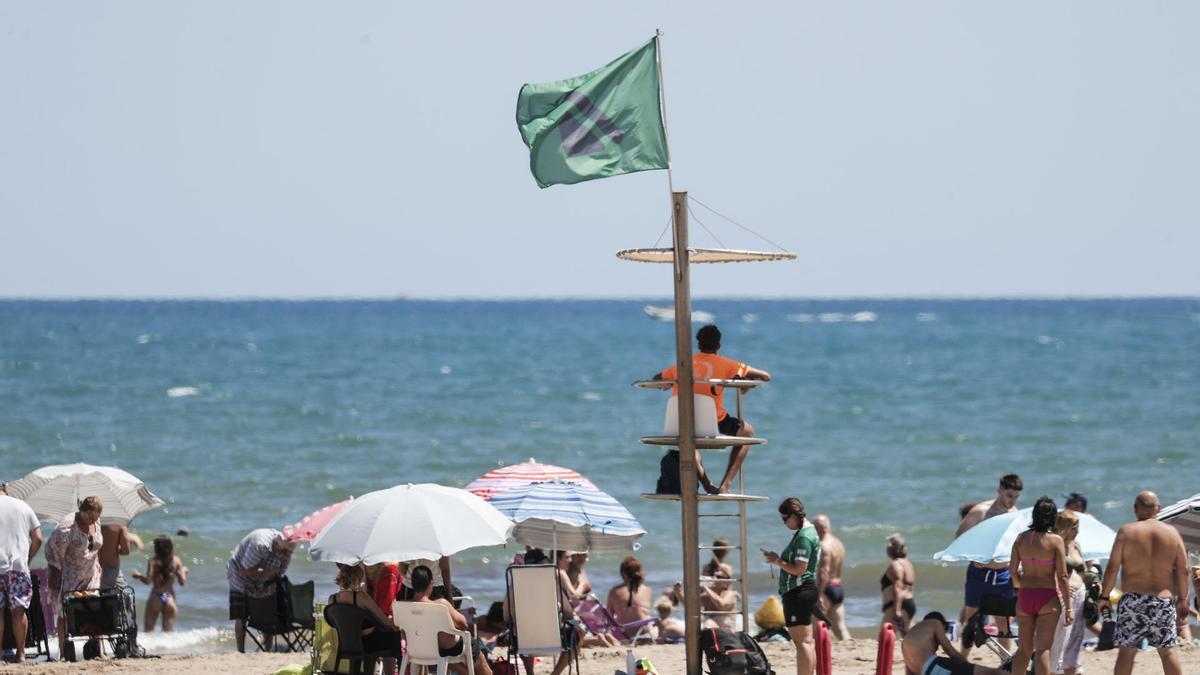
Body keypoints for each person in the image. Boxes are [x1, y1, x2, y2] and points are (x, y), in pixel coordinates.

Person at [653, 324, 771, 494]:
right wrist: (746, 380)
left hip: (682, 421)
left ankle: (707, 484)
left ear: (698, 344)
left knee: (689, 443)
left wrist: (668, 382)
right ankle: (725, 485)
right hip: (714, 421)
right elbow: (766, 376)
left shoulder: (683, 364)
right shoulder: (727, 364)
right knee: (747, 432)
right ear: (718, 345)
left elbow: (657, 378)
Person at [1099, 491, 1189, 675]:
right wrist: (1183, 599)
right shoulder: (1172, 533)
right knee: (1168, 651)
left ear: (1135, 509)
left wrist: (1104, 596)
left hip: (1133, 600)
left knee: (1127, 651)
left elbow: (1112, 567)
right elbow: (1183, 569)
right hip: (1162, 601)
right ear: (1158, 509)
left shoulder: (1127, 531)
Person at [956, 473, 1022, 654]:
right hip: (979, 573)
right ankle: (963, 659)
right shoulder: (981, 511)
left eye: (1016, 497)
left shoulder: (1015, 515)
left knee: (1003, 622)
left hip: (1002, 574)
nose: (1012, 501)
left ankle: (1005, 662)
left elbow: (1018, 545)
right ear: (1000, 490)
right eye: (1009, 496)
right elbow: (959, 536)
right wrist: (974, 554)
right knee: (971, 619)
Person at [1009, 496, 1069, 675]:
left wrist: (1021, 586)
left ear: (1034, 515)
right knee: (1043, 649)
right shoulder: (1056, 540)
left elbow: (1012, 571)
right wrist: (1069, 608)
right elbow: (1063, 575)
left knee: (1024, 649)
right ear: (1053, 517)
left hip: (1025, 597)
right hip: (1047, 597)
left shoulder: (1021, 539)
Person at [762, 497, 820, 675]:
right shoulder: (808, 532)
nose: (784, 523)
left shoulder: (803, 537)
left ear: (794, 515)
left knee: (802, 642)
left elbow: (799, 569)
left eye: (785, 519)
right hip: (804, 590)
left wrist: (777, 561)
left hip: (798, 592)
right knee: (807, 641)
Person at [45, 495, 104, 657]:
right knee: (65, 613)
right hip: (71, 574)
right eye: (90, 516)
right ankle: (63, 653)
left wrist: (98, 563)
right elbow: (51, 550)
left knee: (94, 608)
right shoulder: (67, 526)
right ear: (82, 510)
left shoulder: (96, 521)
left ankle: (98, 650)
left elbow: (95, 546)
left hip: (91, 573)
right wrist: (55, 574)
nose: (93, 520)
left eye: (96, 517)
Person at [405, 564, 492, 675]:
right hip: (448, 649)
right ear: (431, 583)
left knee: (452, 659)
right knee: (480, 659)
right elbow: (463, 624)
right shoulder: (440, 604)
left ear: (412, 584)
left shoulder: (403, 607)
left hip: (418, 649)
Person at [226, 528, 295, 653]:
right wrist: (266, 572)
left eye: (288, 552)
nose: (284, 555)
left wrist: (269, 578)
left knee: (268, 612)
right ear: (276, 543)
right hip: (239, 576)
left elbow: (279, 574)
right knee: (241, 615)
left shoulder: (286, 552)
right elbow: (245, 570)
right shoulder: (260, 544)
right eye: (282, 551)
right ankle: (240, 651)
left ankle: (267, 650)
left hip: (262, 578)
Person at [329, 563, 404, 675]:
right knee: (394, 635)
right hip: (368, 644)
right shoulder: (360, 597)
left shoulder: (332, 599)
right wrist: (397, 623)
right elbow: (384, 621)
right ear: (358, 578)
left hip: (347, 642)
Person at [0, 482, 43, 664]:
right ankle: (21, 654)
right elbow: (38, 538)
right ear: (6, 490)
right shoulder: (23, 506)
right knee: (18, 613)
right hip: (19, 567)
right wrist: (28, 559)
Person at [902, 611, 1008, 675]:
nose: (937, 646)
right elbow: (950, 651)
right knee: (991, 673)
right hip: (935, 665)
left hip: (927, 672)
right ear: (942, 624)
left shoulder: (907, 641)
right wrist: (968, 666)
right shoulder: (935, 623)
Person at [1049, 509, 1087, 675]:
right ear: (1063, 527)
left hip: (1080, 594)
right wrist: (1058, 587)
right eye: (1073, 528)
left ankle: (1071, 670)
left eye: (1077, 527)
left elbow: (1083, 568)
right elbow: (1047, 572)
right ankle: (1054, 671)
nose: (1077, 531)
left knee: (1075, 640)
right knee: (1060, 640)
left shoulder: (1076, 544)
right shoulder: (1054, 545)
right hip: (1063, 597)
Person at [131, 535, 187, 632]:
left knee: (148, 632)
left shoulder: (153, 561)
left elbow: (148, 581)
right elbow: (182, 582)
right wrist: (183, 571)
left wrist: (138, 575)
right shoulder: (176, 560)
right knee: (168, 635)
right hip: (169, 598)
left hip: (156, 597)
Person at [813, 515, 850, 641]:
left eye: (814, 528)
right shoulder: (838, 543)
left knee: (817, 625)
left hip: (827, 589)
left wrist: (819, 594)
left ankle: (820, 654)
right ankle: (849, 649)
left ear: (821, 529)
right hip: (838, 587)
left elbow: (824, 571)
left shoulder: (824, 546)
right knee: (840, 627)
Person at [606, 556, 653, 637]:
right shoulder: (647, 590)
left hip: (624, 633)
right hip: (644, 632)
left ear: (623, 573)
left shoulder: (614, 591)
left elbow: (609, 617)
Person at [882, 533, 917, 636]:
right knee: (910, 639)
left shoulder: (896, 565)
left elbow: (898, 587)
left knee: (884, 638)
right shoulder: (908, 564)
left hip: (897, 605)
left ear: (891, 549)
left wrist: (897, 609)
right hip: (909, 603)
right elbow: (908, 587)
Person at [98, 522, 135, 591]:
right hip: (111, 569)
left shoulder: (93, 523)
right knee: (124, 595)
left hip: (93, 569)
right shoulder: (120, 525)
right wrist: (116, 549)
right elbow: (126, 551)